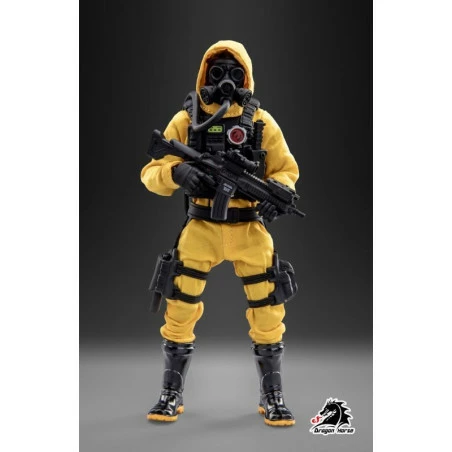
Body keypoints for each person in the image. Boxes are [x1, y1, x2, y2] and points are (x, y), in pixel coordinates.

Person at [141, 40, 299, 427]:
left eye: (234, 73)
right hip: (201, 227)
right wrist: (176, 172)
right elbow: (151, 173)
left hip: (249, 227)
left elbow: (285, 169)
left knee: (268, 308)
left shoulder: (261, 123)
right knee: (180, 306)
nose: (226, 80)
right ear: (204, 76)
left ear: (246, 78)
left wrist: (279, 192)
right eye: (217, 72)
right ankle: (171, 392)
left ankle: (273, 395)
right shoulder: (187, 120)